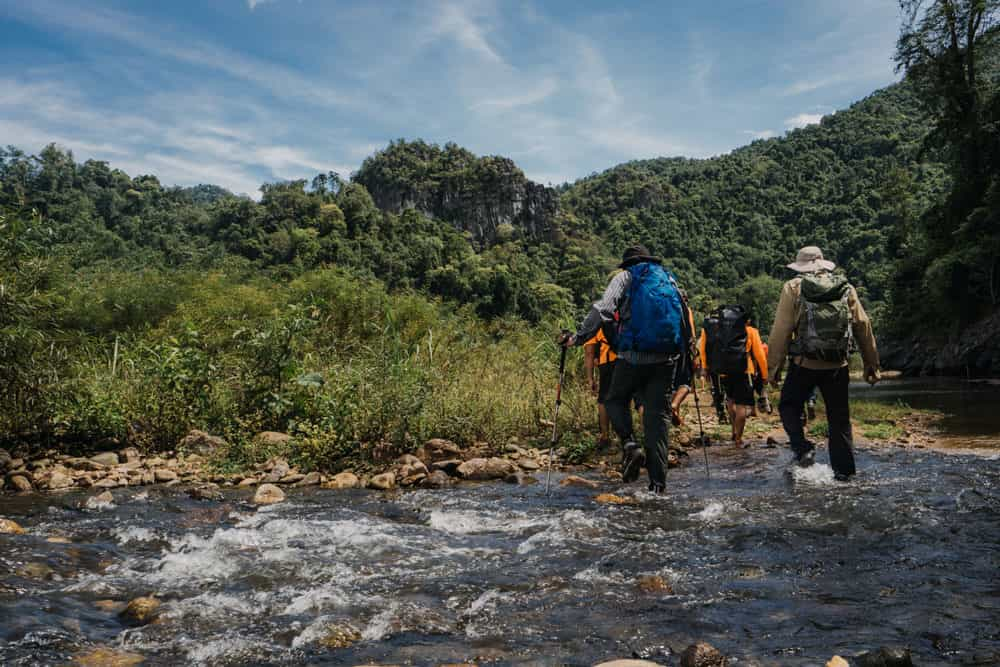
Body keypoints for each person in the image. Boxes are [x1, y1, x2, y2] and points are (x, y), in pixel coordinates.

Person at [561, 244, 687, 494]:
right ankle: (657, 489)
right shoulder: (668, 278)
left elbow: (603, 310)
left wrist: (577, 337)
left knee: (614, 399)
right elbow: (683, 313)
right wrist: (686, 354)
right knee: (657, 422)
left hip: (632, 357)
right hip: (666, 360)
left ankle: (630, 445)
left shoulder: (625, 277)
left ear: (627, 263)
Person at [767, 246, 880, 481]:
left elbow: (781, 330)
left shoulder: (794, 287)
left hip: (804, 364)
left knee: (788, 406)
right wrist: (872, 363)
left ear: (801, 266)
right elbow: (862, 325)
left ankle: (802, 448)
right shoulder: (845, 288)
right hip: (838, 366)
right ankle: (845, 475)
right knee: (839, 421)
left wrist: (773, 368)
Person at [700, 305, 768, 447]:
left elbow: (704, 349)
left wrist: (706, 367)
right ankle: (738, 438)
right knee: (742, 406)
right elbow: (760, 355)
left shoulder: (716, 330)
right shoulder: (750, 331)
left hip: (724, 372)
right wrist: (765, 375)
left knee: (730, 401)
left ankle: (733, 430)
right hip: (744, 371)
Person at [583, 327, 616, 449]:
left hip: (607, 362)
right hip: (628, 359)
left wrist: (590, 378)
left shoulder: (595, 322)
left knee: (603, 399)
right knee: (624, 398)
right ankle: (629, 438)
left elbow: (589, 352)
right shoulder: (623, 313)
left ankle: (605, 436)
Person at [669, 299, 698, 427]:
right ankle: (674, 406)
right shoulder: (685, 309)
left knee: (670, 385)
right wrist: (694, 355)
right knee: (684, 384)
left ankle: (672, 417)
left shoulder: (664, 306)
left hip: (662, 351)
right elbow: (691, 333)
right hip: (681, 351)